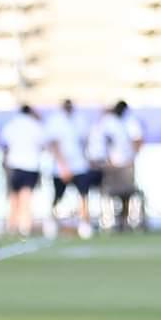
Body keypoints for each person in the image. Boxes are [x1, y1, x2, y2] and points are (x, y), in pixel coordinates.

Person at [44, 99, 99, 239]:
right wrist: (63, 166)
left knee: (83, 195)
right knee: (58, 196)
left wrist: (87, 159)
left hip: (79, 165)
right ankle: (52, 222)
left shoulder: (80, 120)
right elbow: (54, 144)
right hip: (60, 167)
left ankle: (84, 224)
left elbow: (84, 142)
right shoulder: (55, 121)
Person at [95, 100, 144, 231]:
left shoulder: (130, 121)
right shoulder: (108, 122)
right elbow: (103, 141)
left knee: (127, 194)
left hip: (126, 164)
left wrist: (132, 157)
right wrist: (107, 160)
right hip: (112, 166)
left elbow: (138, 140)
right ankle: (110, 221)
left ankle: (124, 221)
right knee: (110, 193)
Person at [0, 105, 44, 238]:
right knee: (26, 197)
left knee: (13, 198)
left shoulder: (11, 125)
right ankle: (25, 226)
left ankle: (12, 226)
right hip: (30, 165)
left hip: (14, 164)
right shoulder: (35, 125)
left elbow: (4, 145)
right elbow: (42, 145)